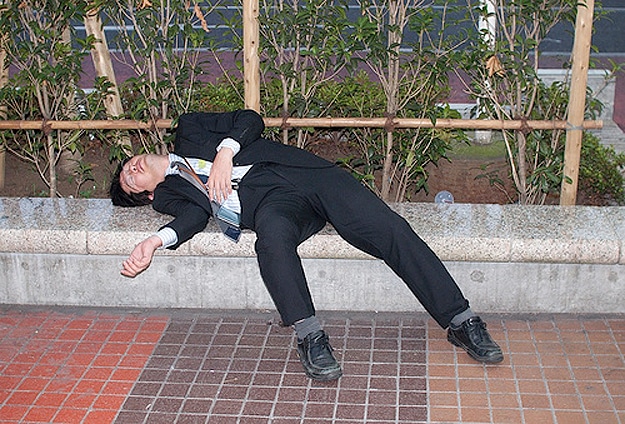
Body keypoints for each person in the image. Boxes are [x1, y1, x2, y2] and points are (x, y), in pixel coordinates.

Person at [110, 109, 503, 381]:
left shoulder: (190, 129)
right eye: (130, 181)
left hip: (306, 174)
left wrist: (225, 152)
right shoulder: (169, 196)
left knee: (390, 228)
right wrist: (155, 241)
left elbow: (250, 119)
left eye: (127, 165)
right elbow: (192, 219)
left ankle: (460, 319)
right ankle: (310, 336)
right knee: (271, 241)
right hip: (272, 205)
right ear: (147, 195)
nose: (131, 169)